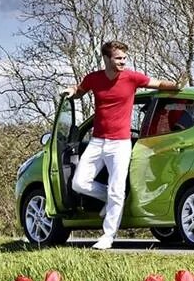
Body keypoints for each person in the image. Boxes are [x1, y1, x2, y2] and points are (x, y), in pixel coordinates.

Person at [62, 41, 179, 250]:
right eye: (118, 58)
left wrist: (177, 85)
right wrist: (71, 91)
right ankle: (110, 197)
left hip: (121, 144)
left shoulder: (132, 78)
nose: (123, 61)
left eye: (124, 58)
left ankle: (108, 236)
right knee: (79, 182)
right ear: (107, 59)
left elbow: (158, 84)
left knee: (116, 190)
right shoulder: (94, 79)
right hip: (97, 141)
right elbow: (80, 90)